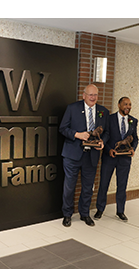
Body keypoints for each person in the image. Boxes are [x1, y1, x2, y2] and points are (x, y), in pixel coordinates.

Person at [59, 84, 109, 227]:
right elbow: (63, 128)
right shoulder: (72, 108)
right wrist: (77, 134)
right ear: (84, 95)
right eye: (90, 95)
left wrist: (102, 142)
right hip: (72, 155)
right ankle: (67, 214)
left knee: (88, 187)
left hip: (92, 156)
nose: (93, 98)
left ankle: (85, 214)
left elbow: (106, 133)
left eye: (95, 95)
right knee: (69, 187)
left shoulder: (103, 111)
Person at [94, 97, 139, 221]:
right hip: (110, 157)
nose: (128, 106)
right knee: (104, 183)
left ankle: (120, 211)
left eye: (130, 104)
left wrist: (133, 149)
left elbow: (135, 138)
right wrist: (109, 150)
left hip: (125, 159)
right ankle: (100, 209)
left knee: (122, 185)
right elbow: (104, 137)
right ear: (119, 105)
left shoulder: (133, 121)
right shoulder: (109, 118)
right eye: (125, 104)